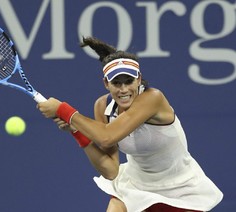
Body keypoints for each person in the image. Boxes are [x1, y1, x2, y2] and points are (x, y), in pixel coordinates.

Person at [37, 36, 223, 212]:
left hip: (182, 189)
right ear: (106, 84)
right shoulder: (103, 106)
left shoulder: (153, 98)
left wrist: (63, 109)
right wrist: (77, 131)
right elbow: (110, 171)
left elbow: (106, 136)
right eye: (116, 83)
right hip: (135, 185)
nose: (124, 89)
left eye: (129, 81)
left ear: (139, 79)